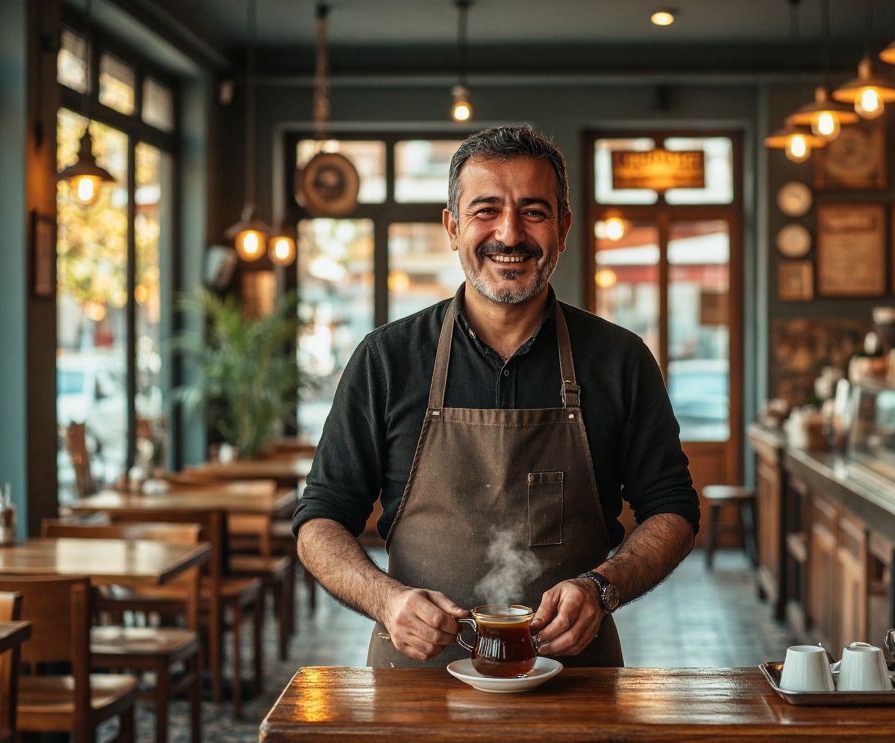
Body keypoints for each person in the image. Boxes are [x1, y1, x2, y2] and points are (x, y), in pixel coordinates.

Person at [294, 124, 699, 668]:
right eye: (485, 210)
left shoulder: (619, 360)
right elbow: (319, 519)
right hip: (419, 684)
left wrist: (603, 588)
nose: (509, 234)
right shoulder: (386, 360)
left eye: (533, 211)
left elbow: (672, 509)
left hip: (576, 684)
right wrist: (387, 600)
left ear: (564, 227)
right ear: (452, 226)